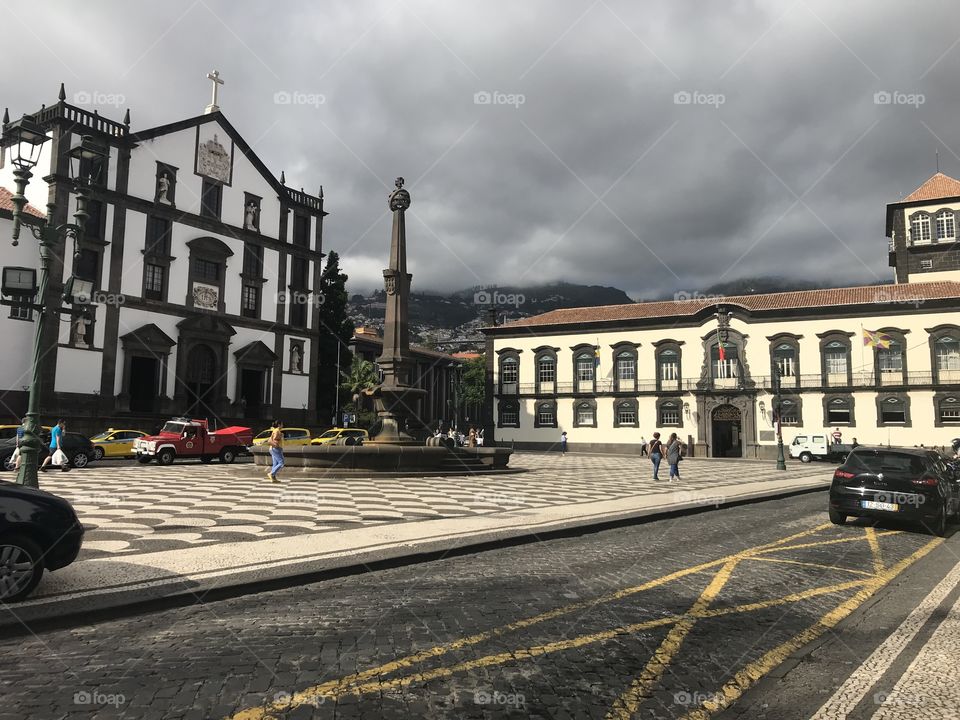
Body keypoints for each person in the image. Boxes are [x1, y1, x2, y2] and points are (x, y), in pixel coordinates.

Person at [267, 419, 284, 483]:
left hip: (272, 448)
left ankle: (273, 478)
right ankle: (272, 473)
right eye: (282, 424)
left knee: (275, 464)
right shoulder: (277, 431)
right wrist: (280, 436)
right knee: (281, 463)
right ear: (279, 425)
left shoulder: (275, 430)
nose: (283, 425)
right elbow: (275, 439)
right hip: (276, 448)